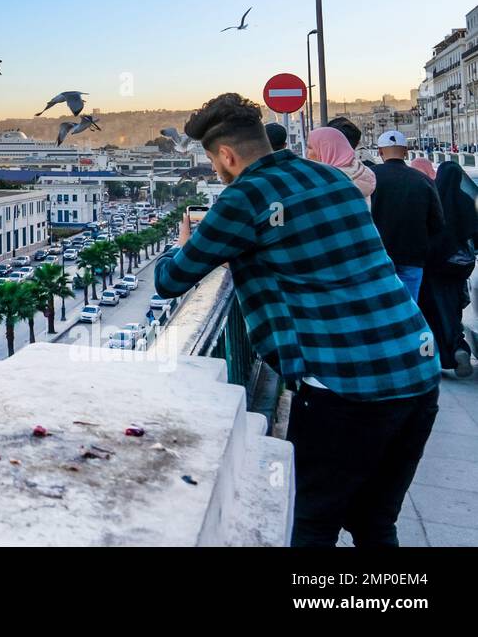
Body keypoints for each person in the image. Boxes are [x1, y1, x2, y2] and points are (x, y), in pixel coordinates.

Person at [153, 93, 440, 548]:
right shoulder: (331, 178)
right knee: (375, 523)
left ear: (226, 154)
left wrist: (181, 241)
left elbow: (170, 279)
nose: (214, 171)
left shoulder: (244, 196)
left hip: (347, 388)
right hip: (417, 371)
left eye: (212, 161)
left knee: (308, 520)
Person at [417, 161, 478, 377]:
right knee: (452, 310)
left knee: (430, 313)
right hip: (458, 268)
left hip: (433, 267)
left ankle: (432, 356)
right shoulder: (466, 202)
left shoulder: (433, 198)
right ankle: (458, 347)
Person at [370, 130, 443, 303]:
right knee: (409, 308)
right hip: (412, 257)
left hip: (378, 257)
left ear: (380, 152)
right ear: (406, 151)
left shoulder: (369, 177)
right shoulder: (422, 180)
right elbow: (437, 223)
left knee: (382, 309)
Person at [307, 126, 376, 200]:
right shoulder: (362, 174)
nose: (306, 152)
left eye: (310, 147)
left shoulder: (323, 184)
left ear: (326, 150)